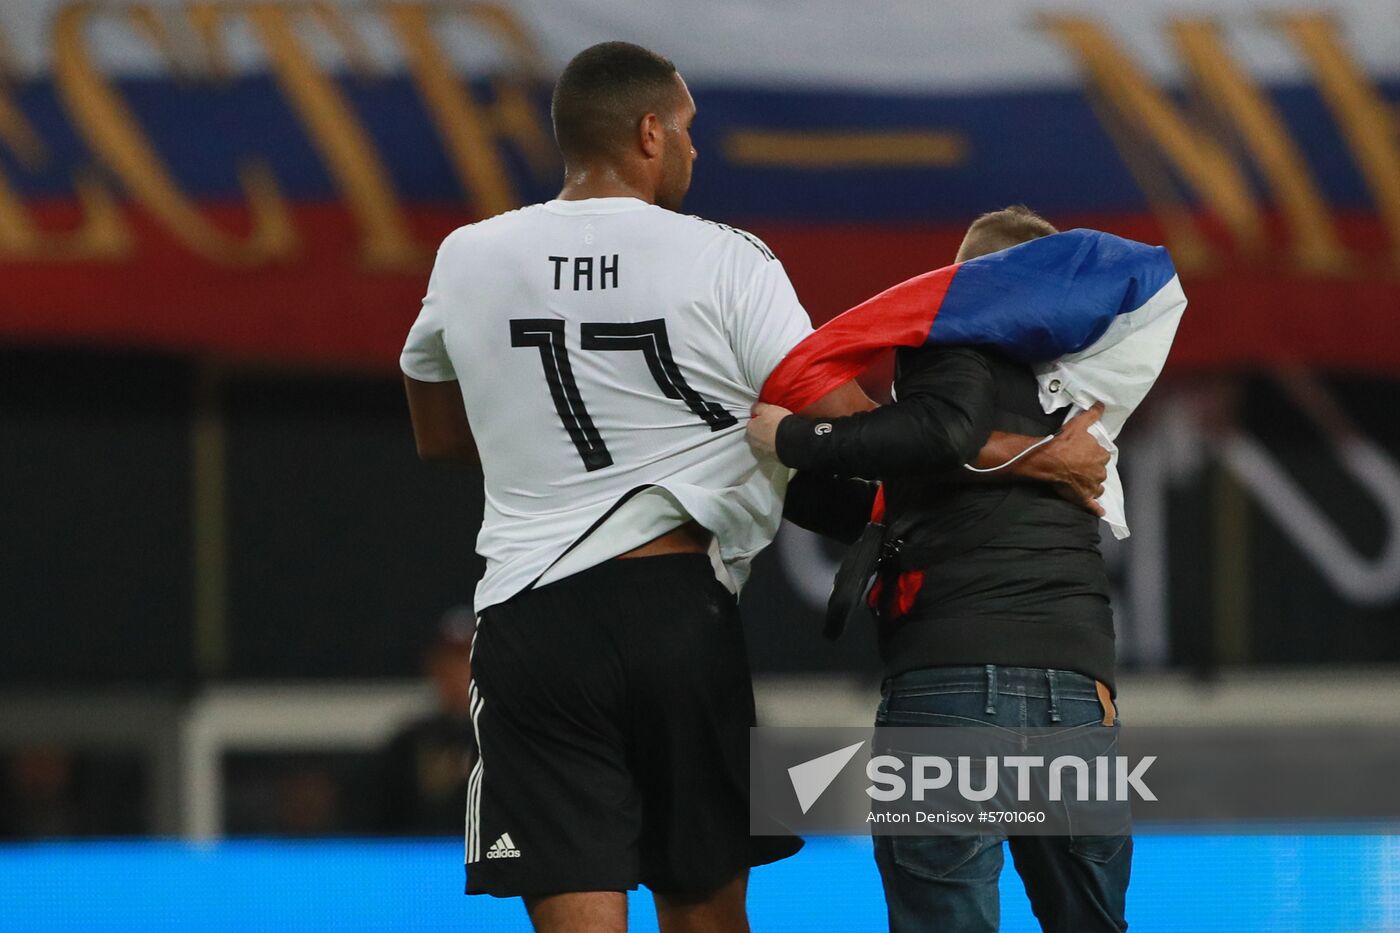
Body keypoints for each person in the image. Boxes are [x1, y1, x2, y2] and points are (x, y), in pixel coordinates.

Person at [401, 43, 1108, 932]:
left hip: (529, 619)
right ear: (649, 132)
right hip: (676, 611)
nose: (697, 150)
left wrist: (536, 446)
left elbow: (436, 432)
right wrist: (1040, 456)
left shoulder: (468, 254)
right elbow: (858, 431)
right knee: (706, 909)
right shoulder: (728, 260)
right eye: (689, 130)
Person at [749, 206, 1135, 933]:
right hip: (1076, 693)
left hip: (951, 689)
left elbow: (940, 435)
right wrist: (786, 473)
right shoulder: (1090, 383)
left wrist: (795, 437)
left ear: (971, 280)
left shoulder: (951, 330)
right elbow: (916, 493)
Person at [378, 608, 478, 836]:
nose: (459, 672)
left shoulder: (514, 739)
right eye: (449, 661)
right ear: (434, 667)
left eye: (467, 660)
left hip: (497, 863)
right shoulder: (407, 745)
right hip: (422, 864)